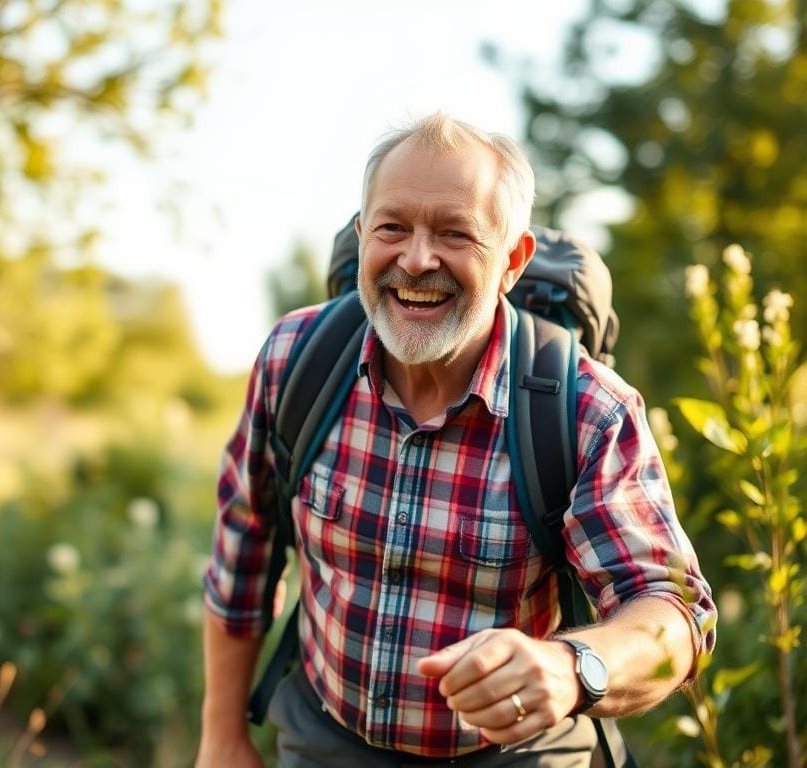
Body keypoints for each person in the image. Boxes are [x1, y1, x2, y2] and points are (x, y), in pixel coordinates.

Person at [196, 113, 716, 766]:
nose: (416, 260)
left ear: (512, 261)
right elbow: (243, 554)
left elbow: (674, 612)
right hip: (324, 736)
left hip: (517, 754)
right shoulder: (295, 358)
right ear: (362, 236)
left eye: (454, 233)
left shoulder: (588, 410)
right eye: (392, 228)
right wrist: (220, 738)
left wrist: (570, 668)